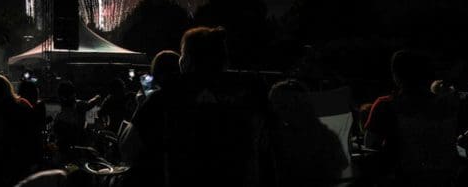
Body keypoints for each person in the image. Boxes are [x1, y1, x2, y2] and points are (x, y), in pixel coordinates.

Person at [123, 26, 276, 187]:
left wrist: (141, 106)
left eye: (182, 54)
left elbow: (128, 148)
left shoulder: (164, 99)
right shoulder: (246, 97)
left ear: (187, 60)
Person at [364, 49, 459, 186]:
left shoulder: (386, 105)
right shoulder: (446, 104)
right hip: (446, 178)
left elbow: (370, 146)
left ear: (396, 76)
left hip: (405, 178)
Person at [268, 79, 347, 186]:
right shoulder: (326, 135)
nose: (278, 111)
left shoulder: (287, 138)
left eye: (282, 106)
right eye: (276, 107)